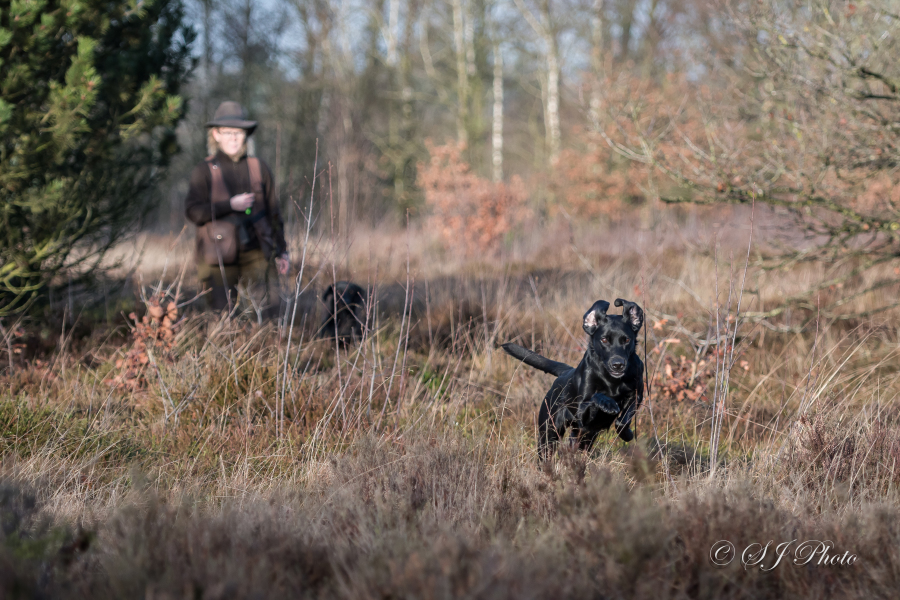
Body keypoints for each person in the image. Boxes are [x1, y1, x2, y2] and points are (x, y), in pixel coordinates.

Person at [185, 101, 289, 316]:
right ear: (216, 135)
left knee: (263, 313)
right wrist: (229, 205)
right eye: (228, 132)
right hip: (217, 255)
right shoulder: (203, 170)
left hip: (257, 253)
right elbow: (193, 212)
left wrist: (282, 250)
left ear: (246, 135)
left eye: (239, 132)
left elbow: (274, 212)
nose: (233, 137)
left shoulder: (259, 167)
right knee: (221, 316)